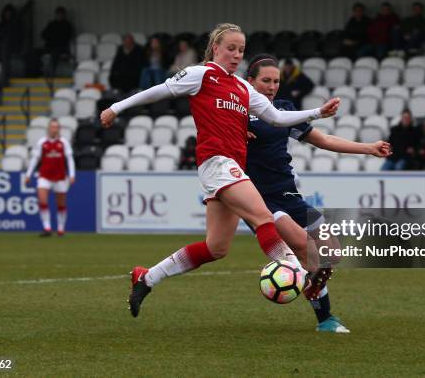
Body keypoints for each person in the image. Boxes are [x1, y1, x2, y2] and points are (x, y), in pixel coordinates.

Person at [99, 23, 340, 319]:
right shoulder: (202, 74)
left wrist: (317, 112)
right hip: (216, 162)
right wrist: (116, 107)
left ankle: (146, 277)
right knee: (263, 216)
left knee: (216, 247)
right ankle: (292, 268)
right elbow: (157, 91)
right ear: (216, 48)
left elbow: (277, 118)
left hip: (232, 168)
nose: (237, 55)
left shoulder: (242, 87)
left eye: (241, 50)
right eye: (231, 48)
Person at [246, 54, 391, 333]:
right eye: (265, 80)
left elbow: (323, 140)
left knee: (332, 254)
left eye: (276, 81)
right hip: (257, 197)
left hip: (288, 193)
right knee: (307, 249)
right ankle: (325, 319)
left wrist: (369, 148)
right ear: (250, 81)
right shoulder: (235, 112)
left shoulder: (285, 111)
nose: (272, 86)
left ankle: (307, 284)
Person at [25, 118, 75, 237]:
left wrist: (72, 174)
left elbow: (69, 159)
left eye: (56, 127)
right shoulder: (42, 142)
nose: (54, 129)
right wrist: (28, 174)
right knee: (42, 200)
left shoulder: (63, 142)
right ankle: (47, 227)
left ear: (59, 129)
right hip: (45, 176)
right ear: (48, 128)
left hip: (60, 176)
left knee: (61, 203)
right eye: (52, 127)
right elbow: (35, 159)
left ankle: (60, 228)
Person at [32, 6, 74, 76]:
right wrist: (51, 37)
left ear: (64, 15)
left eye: (61, 14)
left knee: (55, 53)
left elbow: (66, 38)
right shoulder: (51, 24)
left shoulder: (67, 25)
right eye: (58, 14)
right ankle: (36, 73)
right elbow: (43, 35)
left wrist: (54, 37)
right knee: (35, 52)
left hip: (61, 48)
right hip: (49, 47)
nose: (59, 16)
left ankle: (51, 74)